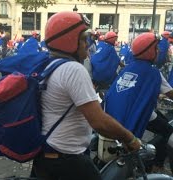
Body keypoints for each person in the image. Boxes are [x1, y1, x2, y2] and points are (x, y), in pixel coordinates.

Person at [32, 11, 140, 180]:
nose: (87, 44)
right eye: (83, 39)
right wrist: (130, 138)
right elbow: (99, 122)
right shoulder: (73, 70)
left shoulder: (50, 65)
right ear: (69, 40)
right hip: (67, 159)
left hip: (47, 153)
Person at [105, 32, 173, 172]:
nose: (159, 50)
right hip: (138, 111)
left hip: (119, 113)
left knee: (162, 119)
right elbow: (171, 94)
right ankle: (156, 164)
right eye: (156, 48)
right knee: (168, 131)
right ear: (149, 51)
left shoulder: (129, 67)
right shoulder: (153, 73)